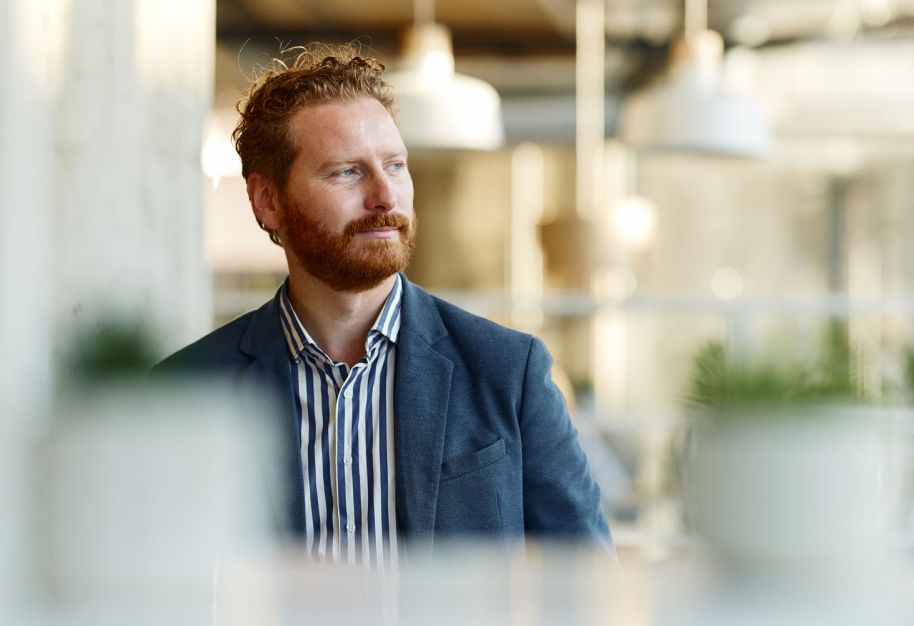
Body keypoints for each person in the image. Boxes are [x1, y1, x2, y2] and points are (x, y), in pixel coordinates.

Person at [157, 45, 611, 566]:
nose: (385, 197)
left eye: (395, 166)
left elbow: (589, 583)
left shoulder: (509, 371)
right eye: (347, 173)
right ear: (268, 201)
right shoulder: (185, 390)